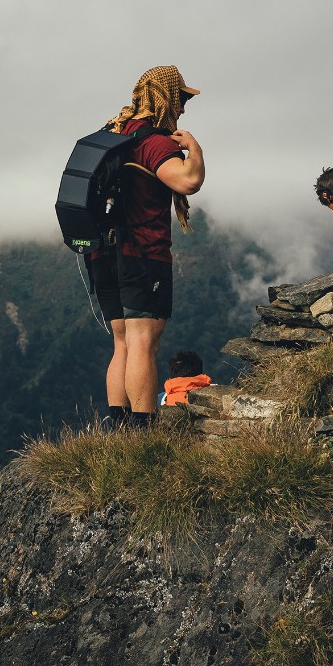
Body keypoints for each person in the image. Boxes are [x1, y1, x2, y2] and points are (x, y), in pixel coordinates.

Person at [97, 66, 204, 427]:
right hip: (142, 253)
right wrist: (194, 149)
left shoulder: (111, 135)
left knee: (122, 342)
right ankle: (143, 427)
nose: (184, 108)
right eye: (182, 98)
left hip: (102, 252)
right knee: (143, 342)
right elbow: (187, 182)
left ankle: (118, 424)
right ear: (166, 96)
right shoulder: (154, 143)